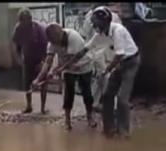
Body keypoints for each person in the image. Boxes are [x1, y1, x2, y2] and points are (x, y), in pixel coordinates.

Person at [50, 6, 140, 138]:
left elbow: (120, 55)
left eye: (97, 24)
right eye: (94, 24)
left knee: (122, 99)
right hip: (118, 64)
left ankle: (123, 132)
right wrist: (64, 66)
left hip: (130, 62)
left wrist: (107, 70)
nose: (95, 27)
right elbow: (83, 51)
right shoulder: (99, 35)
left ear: (104, 23)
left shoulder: (118, 31)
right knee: (107, 95)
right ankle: (109, 129)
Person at [31, 23, 95, 130]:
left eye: (57, 40)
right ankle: (67, 120)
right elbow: (48, 62)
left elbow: (72, 60)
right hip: (68, 68)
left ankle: (90, 117)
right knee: (68, 93)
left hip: (84, 66)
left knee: (87, 93)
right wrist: (38, 79)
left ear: (61, 33)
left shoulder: (73, 37)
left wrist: (57, 70)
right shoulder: (52, 43)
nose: (56, 44)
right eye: (53, 42)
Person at [80, 6, 122, 113]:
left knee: (103, 79)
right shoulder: (90, 16)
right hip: (96, 53)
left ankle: (96, 103)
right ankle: (108, 104)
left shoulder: (114, 17)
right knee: (105, 78)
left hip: (109, 52)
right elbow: (84, 36)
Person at [11, 8, 48, 114]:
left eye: (25, 21)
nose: (23, 24)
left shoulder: (39, 28)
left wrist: (43, 62)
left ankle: (43, 107)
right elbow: (15, 45)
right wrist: (18, 59)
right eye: (21, 22)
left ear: (30, 20)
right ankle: (29, 106)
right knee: (27, 83)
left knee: (43, 82)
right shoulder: (18, 29)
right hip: (27, 59)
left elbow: (46, 46)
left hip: (40, 58)